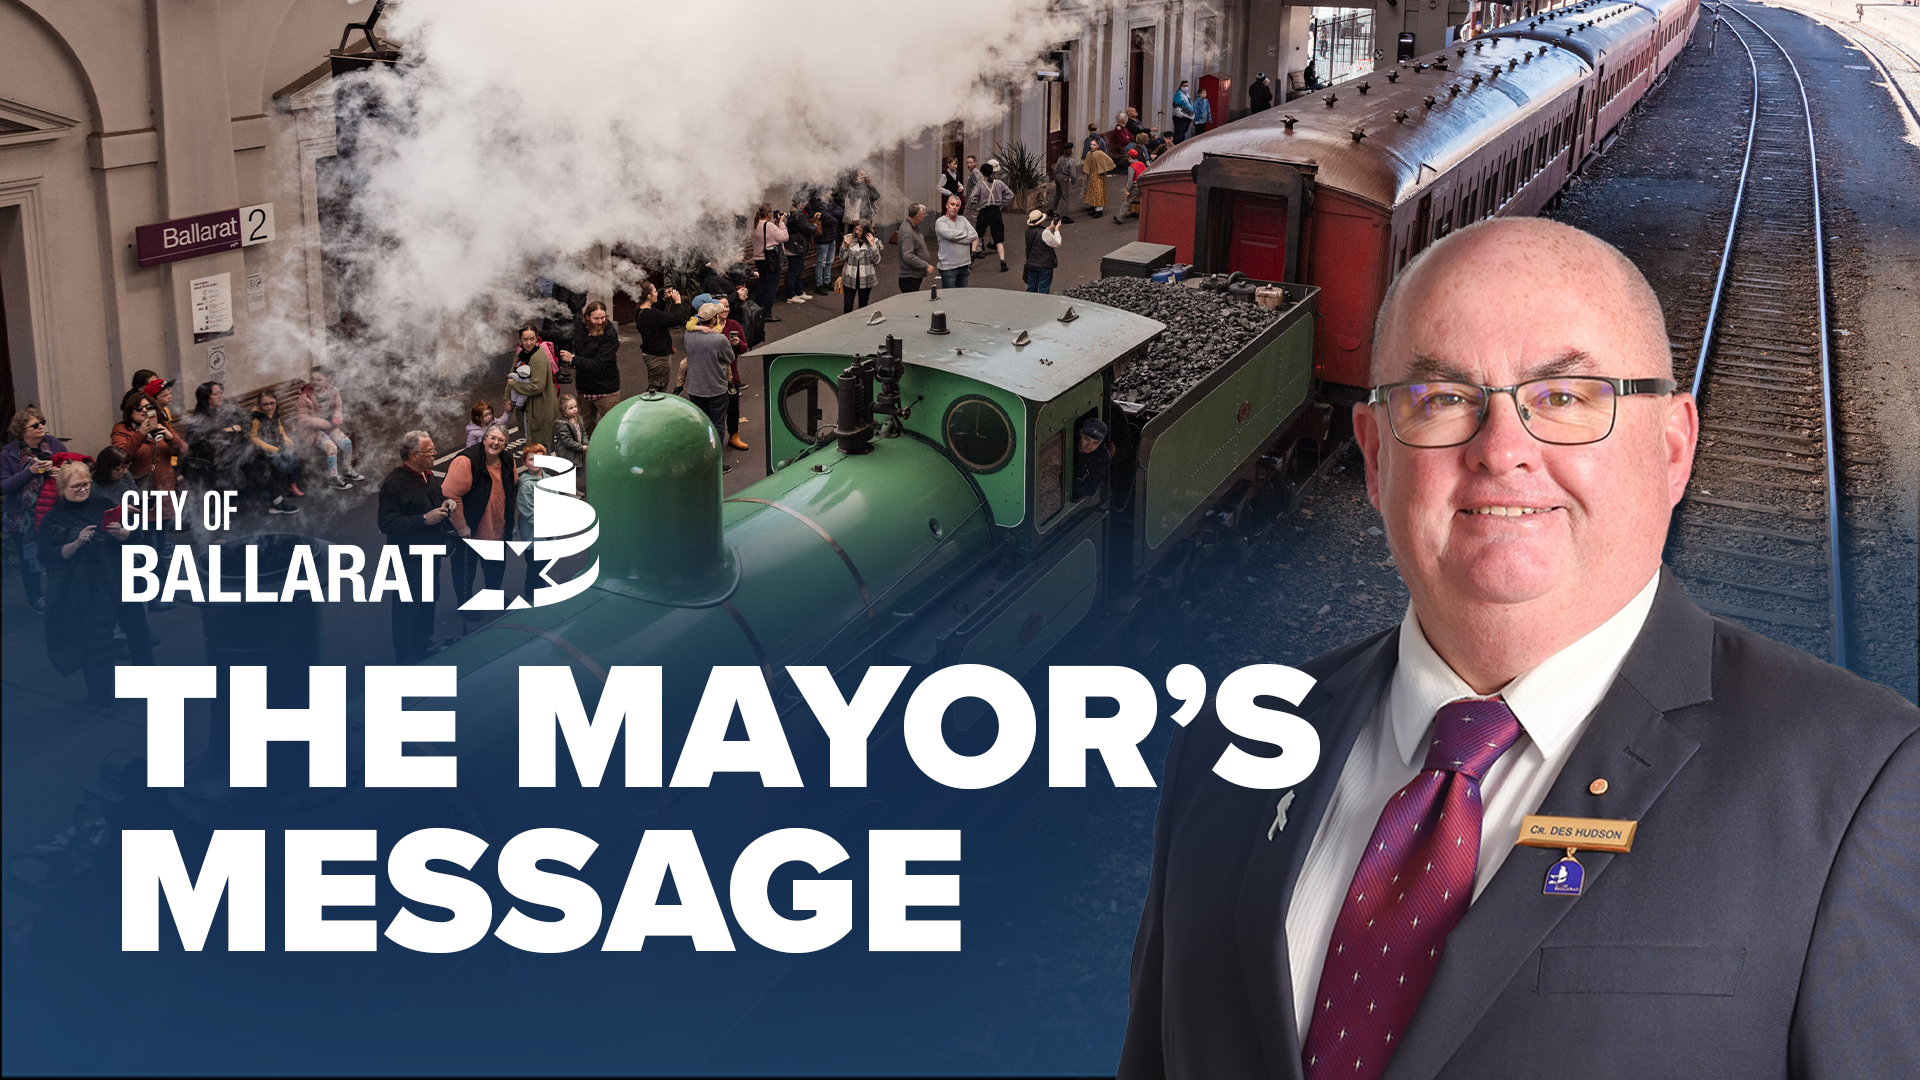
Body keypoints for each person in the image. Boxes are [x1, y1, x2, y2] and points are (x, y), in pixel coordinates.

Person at [1118, 218, 1920, 1080]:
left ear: (1674, 447)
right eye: (1442, 400)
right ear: (1377, 454)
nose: (1502, 452)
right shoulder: (1227, 752)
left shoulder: (1863, 784)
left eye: (1567, 398)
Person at [37, 460, 151, 707]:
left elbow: (136, 538)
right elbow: (46, 556)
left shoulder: (104, 504)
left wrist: (124, 534)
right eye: (76, 485)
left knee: (139, 633)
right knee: (96, 643)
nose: (83, 489)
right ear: (62, 487)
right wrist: (75, 543)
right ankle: (102, 697)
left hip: (120, 577)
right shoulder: (53, 518)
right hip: (87, 586)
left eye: (86, 484)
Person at [377, 431, 455, 663]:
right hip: (406, 559)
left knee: (429, 599)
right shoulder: (394, 484)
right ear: (413, 455)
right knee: (406, 609)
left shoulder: (426, 475)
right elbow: (386, 523)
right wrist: (423, 519)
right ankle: (405, 657)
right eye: (429, 450)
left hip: (430, 552)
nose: (435, 453)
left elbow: (435, 497)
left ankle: (424, 644)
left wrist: (445, 502)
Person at [443, 421, 519, 620]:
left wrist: (510, 521)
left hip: (497, 526)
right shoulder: (466, 461)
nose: (495, 443)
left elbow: (513, 488)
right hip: (471, 530)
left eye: (500, 440)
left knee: (495, 568)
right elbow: (450, 495)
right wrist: (461, 527)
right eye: (491, 438)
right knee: (465, 571)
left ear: (505, 444)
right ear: (484, 439)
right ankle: (465, 604)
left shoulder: (507, 460)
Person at [3, 407, 65, 613]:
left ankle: (59, 592)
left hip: (51, 509)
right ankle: (35, 596)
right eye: (35, 425)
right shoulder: (9, 453)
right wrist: (29, 472)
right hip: (22, 516)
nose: (41, 428)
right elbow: (4, 486)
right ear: (22, 430)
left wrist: (61, 471)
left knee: (56, 554)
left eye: (42, 423)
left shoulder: (52, 443)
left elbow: (71, 463)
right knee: (28, 558)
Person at [683, 303, 736, 472]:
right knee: (717, 426)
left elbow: (691, 326)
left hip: (695, 389)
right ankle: (715, 463)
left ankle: (699, 461)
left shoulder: (689, 335)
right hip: (716, 389)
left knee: (699, 426)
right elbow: (730, 357)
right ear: (714, 319)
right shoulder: (718, 339)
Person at [290, 366, 361, 490]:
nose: (315, 382)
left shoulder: (333, 392)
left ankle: (346, 470)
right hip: (313, 431)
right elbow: (302, 418)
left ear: (328, 381)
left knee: (347, 443)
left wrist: (337, 415)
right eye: (312, 379)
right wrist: (318, 421)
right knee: (331, 447)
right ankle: (333, 478)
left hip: (329, 427)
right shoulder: (304, 398)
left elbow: (338, 407)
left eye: (319, 379)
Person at [110, 391, 187, 500]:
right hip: (142, 490)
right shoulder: (122, 429)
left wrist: (171, 438)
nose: (144, 410)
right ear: (130, 411)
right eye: (138, 408)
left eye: (148, 407)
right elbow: (119, 457)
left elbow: (184, 451)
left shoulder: (162, 425)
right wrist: (140, 434)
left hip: (166, 491)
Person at [560, 299, 621, 436]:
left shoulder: (610, 335)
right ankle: (587, 456)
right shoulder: (581, 327)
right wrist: (538, 334)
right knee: (585, 427)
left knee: (613, 427)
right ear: (587, 317)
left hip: (606, 391)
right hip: (585, 390)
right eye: (596, 318)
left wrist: (573, 359)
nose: (600, 321)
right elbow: (562, 334)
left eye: (602, 317)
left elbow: (598, 364)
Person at [183, 381, 247, 492]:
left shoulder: (224, 411)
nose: (220, 396)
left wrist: (228, 431)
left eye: (221, 393)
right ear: (206, 398)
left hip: (231, 452)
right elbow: (205, 440)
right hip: (208, 459)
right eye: (215, 394)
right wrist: (230, 430)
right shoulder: (200, 417)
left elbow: (243, 425)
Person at [246, 391, 303, 514]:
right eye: (265, 404)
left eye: (272, 403)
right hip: (261, 450)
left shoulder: (274, 413)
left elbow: (280, 430)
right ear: (259, 404)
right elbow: (254, 438)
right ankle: (274, 492)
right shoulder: (256, 418)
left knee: (293, 457)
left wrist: (288, 441)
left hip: (277, 445)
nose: (269, 407)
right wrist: (272, 448)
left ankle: (291, 485)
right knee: (280, 464)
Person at [507, 322, 558, 452]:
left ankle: (543, 472)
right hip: (526, 407)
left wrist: (514, 385)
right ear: (520, 340)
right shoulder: (520, 352)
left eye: (532, 339)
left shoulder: (538, 357)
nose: (528, 343)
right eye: (525, 339)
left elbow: (537, 387)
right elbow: (512, 374)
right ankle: (536, 471)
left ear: (536, 339)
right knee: (531, 443)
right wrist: (508, 398)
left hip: (539, 407)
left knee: (540, 446)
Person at [968, 162, 1014, 272]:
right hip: (996, 212)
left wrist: (976, 205)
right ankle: (1003, 262)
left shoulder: (980, 184)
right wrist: (1002, 203)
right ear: (992, 172)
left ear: (982, 173)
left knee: (978, 234)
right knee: (998, 239)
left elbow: (972, 197)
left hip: (984, 212)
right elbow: (1010, 195)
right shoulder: (999, 183)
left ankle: (972, 258)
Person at [934, 195, 981, 289]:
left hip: (964, 265)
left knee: (962, 298)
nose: (954, 207)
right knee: (949, 298)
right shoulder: (940, 222)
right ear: (947, 205)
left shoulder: (963, 219)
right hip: (948, 267)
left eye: (957, 205)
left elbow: (974, 235)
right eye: (952, 204)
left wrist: (958, 239)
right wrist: (965, 234)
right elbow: (950, 235)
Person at [806, 187, 844, 297]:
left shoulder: (829, 203)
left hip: (831, 237)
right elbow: (830, 219)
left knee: (829, 261)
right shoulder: (817, 204)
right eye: (828, 191)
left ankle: (827, 282)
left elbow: (840, 211)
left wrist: (831, 213)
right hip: (822, 239)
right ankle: (819, 284)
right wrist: (833, 215)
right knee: (821, 262)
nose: (831, 193)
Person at [751, 205, 788, 316]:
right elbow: (784, 237)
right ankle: (767, 313)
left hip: (759, 260)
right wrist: (781, 223)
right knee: (771, 286)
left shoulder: (755, 225)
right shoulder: (769, 226)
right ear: (768, 214)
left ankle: (757, 312)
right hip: (770, 260)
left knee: (763, 284)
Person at [841, 219, 882, 312]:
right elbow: (842, 257)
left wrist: (873, 246)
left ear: (866, 231)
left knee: (863, 305)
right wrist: (846, 246)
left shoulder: (874, 241)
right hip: (850, 276)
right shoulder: (849, 239)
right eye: (856, 229)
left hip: (865, 277)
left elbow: (876, 261)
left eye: (860, 230)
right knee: (848, 305)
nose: (857, 232)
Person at [783, 193, 816, 304]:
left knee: (798, 270)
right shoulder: (798, 215)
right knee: (794, 271)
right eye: (805, 201)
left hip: (797, 246)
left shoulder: (796, 213)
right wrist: (815, 226)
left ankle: (799, 292)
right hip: (795, 247)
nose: (807, 203)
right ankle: (791, 295)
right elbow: (808, 228)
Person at [897, 203, 935, 293]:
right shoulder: (908, 232)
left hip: (912, 276)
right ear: (917, 216)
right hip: (910, 277)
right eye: (923, 214)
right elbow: (908, 256)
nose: (925, 216)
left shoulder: (910, 227)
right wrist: (926, 265)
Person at [1023, 210, 1062, 294]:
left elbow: (1039, 235)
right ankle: (1042, 306)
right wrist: (1056, 230)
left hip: (1031, 263)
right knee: (1043, 290)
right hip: (1044, 265)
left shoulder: (1028, 231)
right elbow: (1057, 243)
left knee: (1031, 289)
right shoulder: (1044, 233)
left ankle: (1029, 305)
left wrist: (1050, 228)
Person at [1070, 417, 1110, 499]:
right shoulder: (1068, 443)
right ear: (1081, 432)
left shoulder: (1102, 458)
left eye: (1095, 442)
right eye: (1087, 439)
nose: (1089, 445)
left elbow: (1089, 489)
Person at [552, 395, 589, 479]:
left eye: (575, 406)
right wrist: (581, 447)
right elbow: (567, 441)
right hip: (567, 453)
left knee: (574, 472)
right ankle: (568, 491)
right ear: (564, 410)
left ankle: (574, 489)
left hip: (575, 451)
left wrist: (585, 443)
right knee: (568, 473)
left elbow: (583, 432)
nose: (575, 409)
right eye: (571, 408)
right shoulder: (562, 424)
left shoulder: (578, 419)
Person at [515, 443, 544, 543]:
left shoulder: (547, 478)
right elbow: (529, 513)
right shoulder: (526, 486)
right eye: (531, 459)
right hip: (534, 538)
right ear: (525, 463)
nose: (535, 462)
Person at [1084, 137, 1114, 218]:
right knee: (1092, 190)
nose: (1092, 146)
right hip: (1092, 175)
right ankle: (1093, 205)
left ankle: (1099, 209)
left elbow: (1109, 161)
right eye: (1091, 145)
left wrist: (1104, 168)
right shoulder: (1089, 153)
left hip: (1099, 175)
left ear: (1098, 146)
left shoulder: (1100, 154)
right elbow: (1087, 164)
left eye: (1094, 145)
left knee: (1098, 191)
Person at [1048, 152, 1079, 224]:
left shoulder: (1060, 158)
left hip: (1058, 176)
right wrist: (1073, 182)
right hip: (1064, 178)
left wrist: (1055, 177)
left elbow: (1055, 168)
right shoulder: (1071, 161)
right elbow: (1073, 174)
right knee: (1065, 197)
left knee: (1058, 194)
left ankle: (1050, 210)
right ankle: (1064, 216)